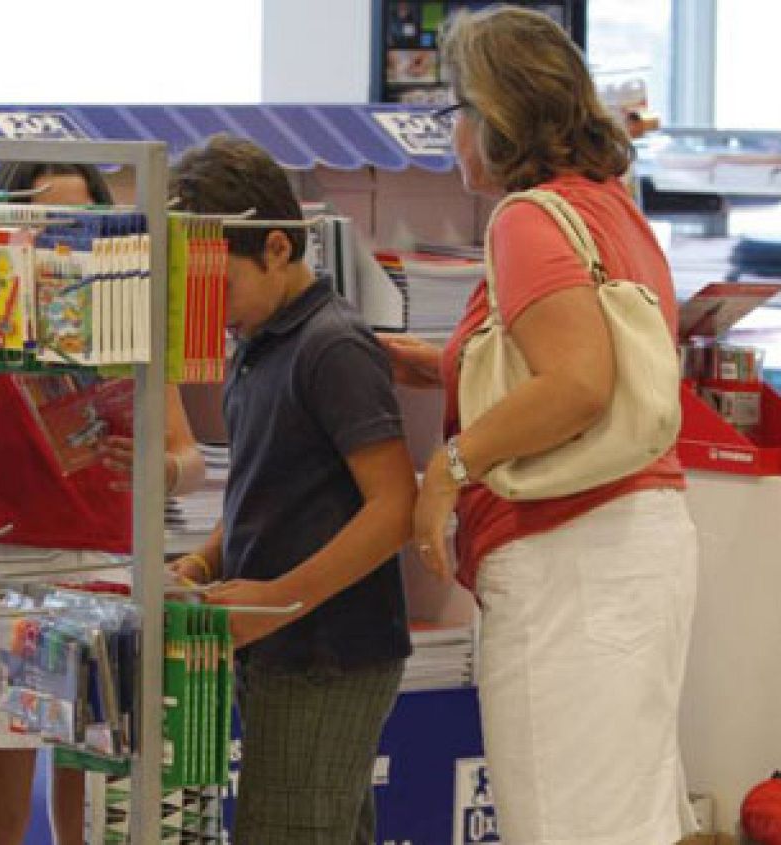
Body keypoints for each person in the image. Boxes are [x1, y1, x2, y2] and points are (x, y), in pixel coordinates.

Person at [380, 8, 698, 844]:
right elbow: (573, 363)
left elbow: (578, 383)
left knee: (563, 818)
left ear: (496, 115)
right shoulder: (608, 208)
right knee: (624, 811)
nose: (453, 140)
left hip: (569, 550)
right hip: (634, 540)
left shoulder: (526, 219)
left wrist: (449, 465)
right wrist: (439, 364)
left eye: (456, 115)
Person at [0, 161, 204, 845]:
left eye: (75, 226)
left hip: (103, 569)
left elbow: (190, 458)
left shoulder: (126, 309)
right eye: (39, 224)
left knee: (90, 818)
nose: (57, 242)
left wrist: (161, 469)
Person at [166, 134, 417, 845]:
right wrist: (207, 562)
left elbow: (395, 507)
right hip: (281, 644)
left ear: (277, 248)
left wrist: (282, 601)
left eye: (224, 286)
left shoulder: (331, 344)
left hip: (328, 654)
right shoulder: (261, 341)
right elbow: (262, 489)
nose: (213, 310)